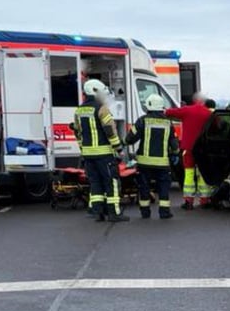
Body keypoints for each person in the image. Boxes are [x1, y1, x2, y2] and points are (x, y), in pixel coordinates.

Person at [74, 79, 129, 222]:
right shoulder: (101, 108)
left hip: (88, 155)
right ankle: (114, 213)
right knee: (111, 182)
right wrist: (119, 148)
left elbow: (77, 133)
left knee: (95, 182)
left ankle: (97, 212)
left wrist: (83, 149)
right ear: (95, 91)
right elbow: (110, 130)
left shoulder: (79, 110)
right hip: (104, 154)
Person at [126, 94, 178, 220]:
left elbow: (130, 139)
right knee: (164, 187)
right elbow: (174, 143)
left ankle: (145, 212)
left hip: (144, 163)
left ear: (149, 106)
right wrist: (175, 154)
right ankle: (164, 212)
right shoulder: (168, 123)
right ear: (161, 107)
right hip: (162, 163)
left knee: (144, 187)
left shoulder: (142, 120)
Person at [165, 92, 214, 209]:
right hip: (203, 149)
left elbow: (170, 112)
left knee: (189, 174)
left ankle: (188, 201)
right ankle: (204, 200)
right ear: (203, 102)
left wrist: (163, 110)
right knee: (203, 174)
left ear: (194, 100)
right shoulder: (208, 113)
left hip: (189, 148)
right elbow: (219, 126)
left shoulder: (187, 110)